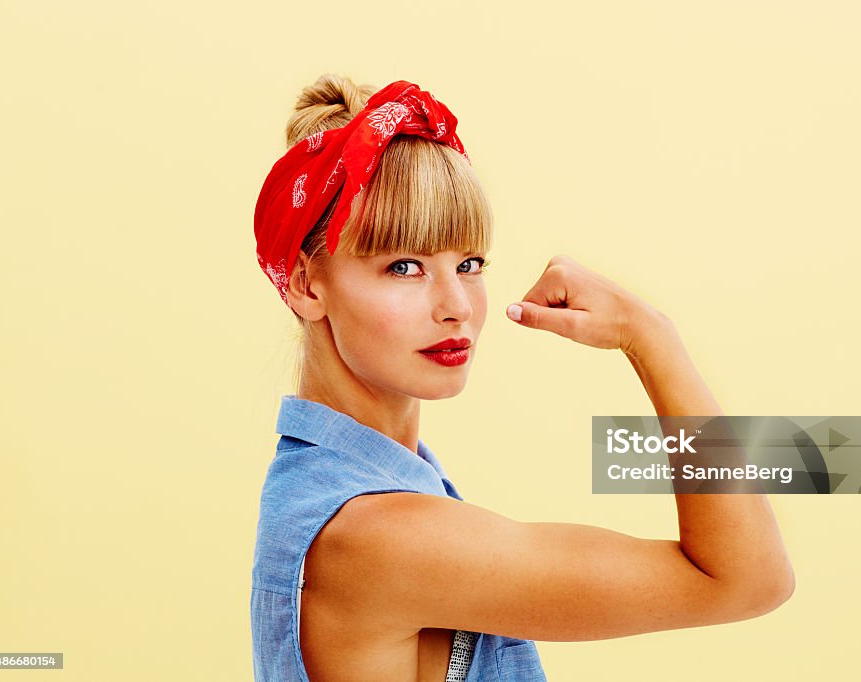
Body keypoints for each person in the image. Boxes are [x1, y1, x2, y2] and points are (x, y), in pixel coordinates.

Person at [250, 74, 795, 682]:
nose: (455, 302)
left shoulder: (337, 489)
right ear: (305, 285)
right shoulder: (377, 535)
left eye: (469, 263)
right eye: (403, 266)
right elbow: (745, 579)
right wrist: (652, 338)